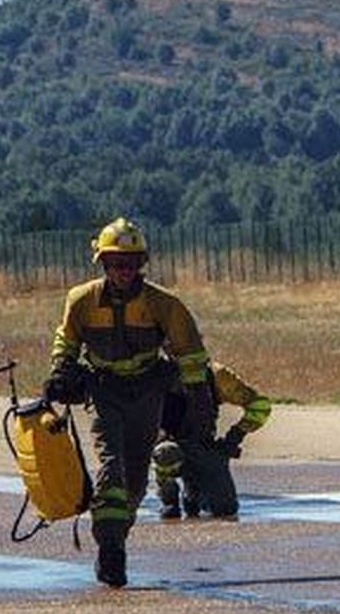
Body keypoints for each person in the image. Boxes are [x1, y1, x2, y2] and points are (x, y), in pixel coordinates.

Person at [43, 217, 216, 587]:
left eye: (132, 263)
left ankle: (118, 533)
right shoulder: (81, 301)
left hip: (148, 393)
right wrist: (61, 371)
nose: (124, 270)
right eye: (116, 263)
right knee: (111, 468)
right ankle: (110, 550)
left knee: (135, 481)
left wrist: (200, 403)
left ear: (142, 264)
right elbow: (67, 340)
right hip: (104, 392)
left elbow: (190, 354)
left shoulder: (164, 305)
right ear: (103, 263)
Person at [152, 361, 272, 520]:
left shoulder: (217, 375)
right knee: (166, 453)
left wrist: (233, 438)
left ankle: (193, 495)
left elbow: (260, 406)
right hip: (169, 447)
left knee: (225, 510)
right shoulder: (154, 374)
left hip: (205, 449)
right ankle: (170, 501)